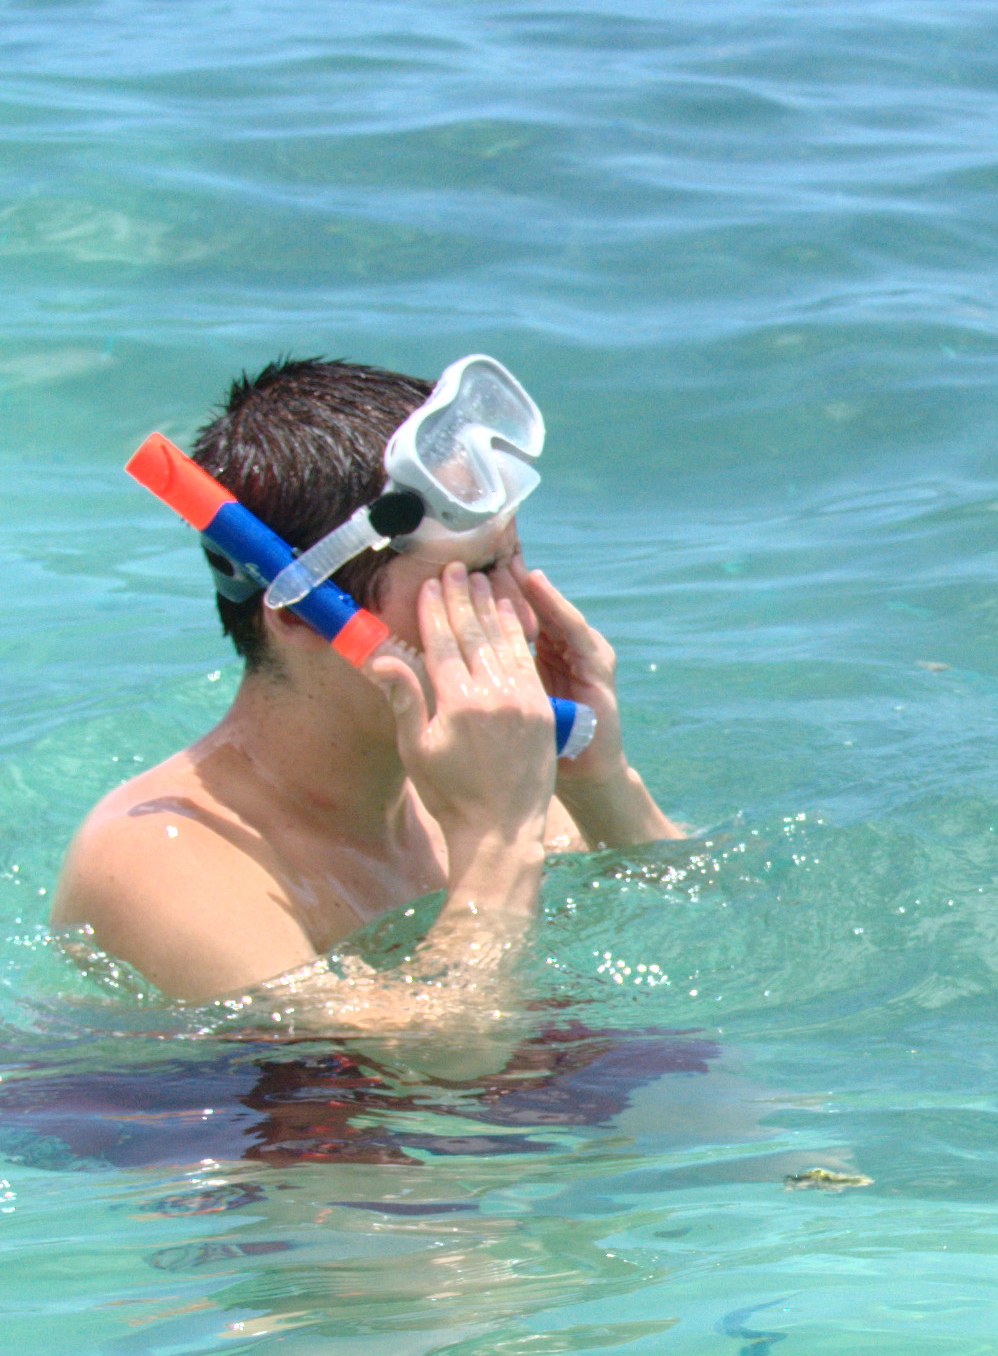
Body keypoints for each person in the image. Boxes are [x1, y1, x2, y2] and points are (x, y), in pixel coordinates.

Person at [53, 355, 683, 1022]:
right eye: (475, 578)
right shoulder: (164, 859)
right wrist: (497, 844)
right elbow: (446, 1061)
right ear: (303, 614)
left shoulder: (474, 780)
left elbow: (691, 922)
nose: (522, 621)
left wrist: (600, 784)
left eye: (513, 562)